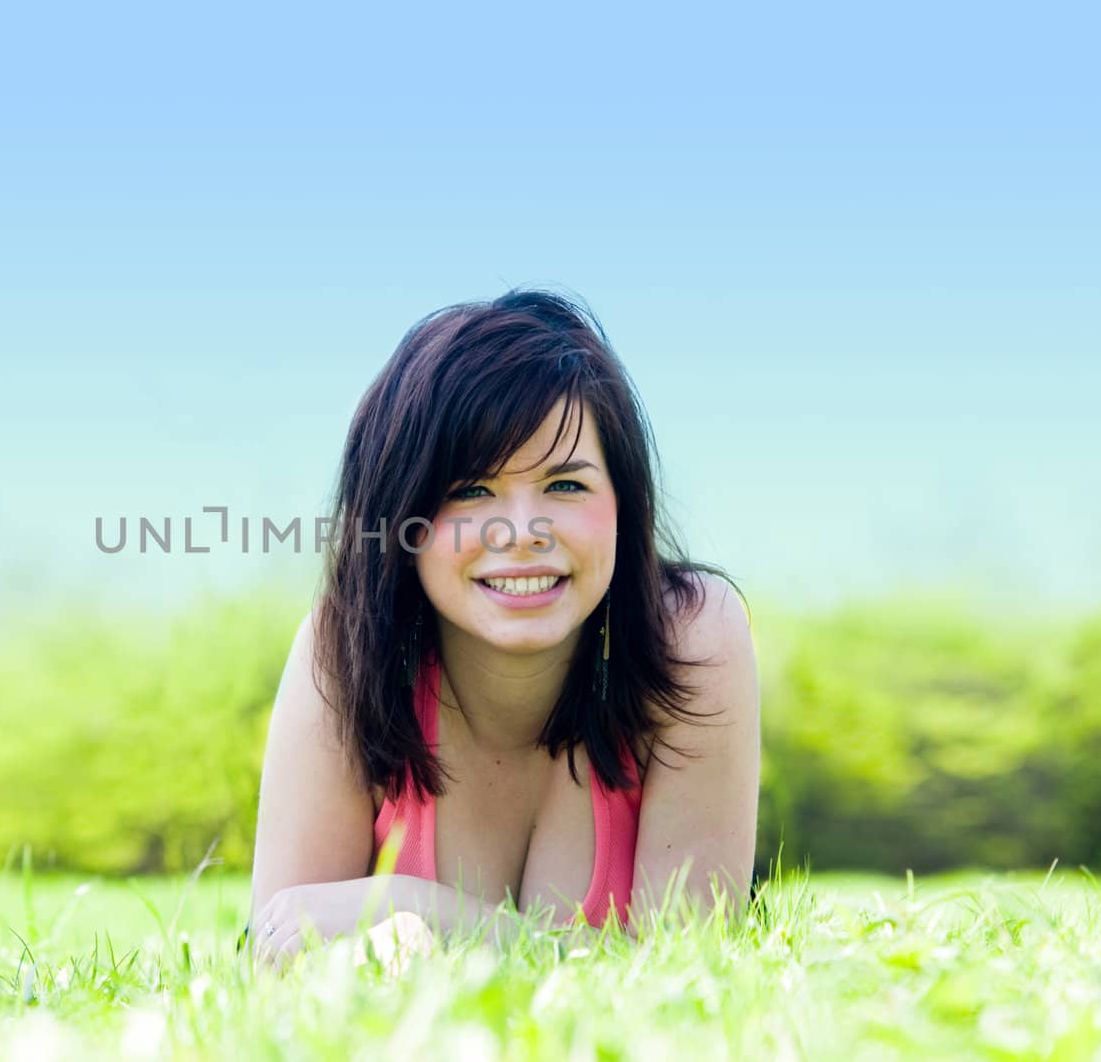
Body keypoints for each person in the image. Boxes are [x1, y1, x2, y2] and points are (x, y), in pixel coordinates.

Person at [246, 288, 761, 968]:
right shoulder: (345, 652)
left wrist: (422, 907)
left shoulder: (694, 635)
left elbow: (686, 973)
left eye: (566, 486)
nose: (522, 534)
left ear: (623, 502)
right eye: (471, 490)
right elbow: (279, 953)